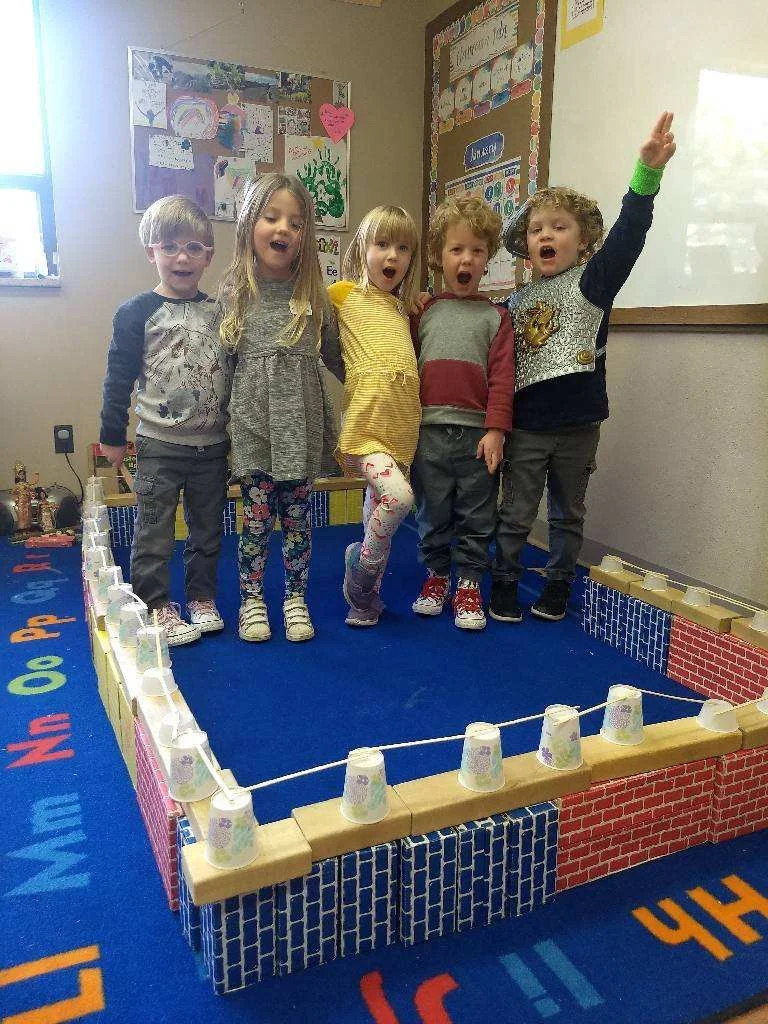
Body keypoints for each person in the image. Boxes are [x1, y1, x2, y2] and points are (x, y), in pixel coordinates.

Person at [491, 111, 677, 624]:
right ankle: (504, 581)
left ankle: (557, 587)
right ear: (526, 246)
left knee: (567, 513)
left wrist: (646, 178)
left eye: (559, 227)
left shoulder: (594, 283)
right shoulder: (512, 303)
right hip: (526, 426)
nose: (546, 235)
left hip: (577, 426)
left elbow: (629, 238)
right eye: (535, 229)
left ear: (582, 239)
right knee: (515, 511)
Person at [99, 195, 233, 645]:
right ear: (150, 251)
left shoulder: (219, 313)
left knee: (207, 529)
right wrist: (111, 437)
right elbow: (118, 378)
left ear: (209, 257)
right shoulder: (135, 313)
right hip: (158, 445)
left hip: (212, 446)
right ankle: (156, 604)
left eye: (195, 248)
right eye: (171, 246)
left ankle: (202, 598)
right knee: (154, 530)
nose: (183, 257)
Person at [219, 173, 344, 643]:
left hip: (301, 429)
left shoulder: (314, 296)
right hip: (254, 428)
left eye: (295, 221)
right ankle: (252, 598)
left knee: (297, 522)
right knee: (254, 521)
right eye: (272, 217)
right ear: (251, 225)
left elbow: (339, 358)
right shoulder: (235, 293)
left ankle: (295, 597)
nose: (283, 228)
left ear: (305, 234)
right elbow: (222, 368)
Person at [411, 195, 515, 630]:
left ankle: (469, 581)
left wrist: (495, 430)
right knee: (432, 511)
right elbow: (404, 365)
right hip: (429, 432)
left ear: (487, 258)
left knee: (477, 512)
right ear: (439, 257)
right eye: (456, 249)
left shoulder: (496, 317)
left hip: (477, 437)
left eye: (476, 250)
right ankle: (436, 575)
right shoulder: (424, 312)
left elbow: (503, 379)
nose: (466, 258)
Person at [329, 205, 421, 626]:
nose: (392, 256)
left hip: (401, 427)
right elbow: (307, 306)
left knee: (375, 515)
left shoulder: (403, 310)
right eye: (382, 244)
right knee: (398, 498)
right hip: (367, 428)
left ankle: (364, 603)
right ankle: (361, 567)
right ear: (362, 249)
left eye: (402, 248)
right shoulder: (345, 294)